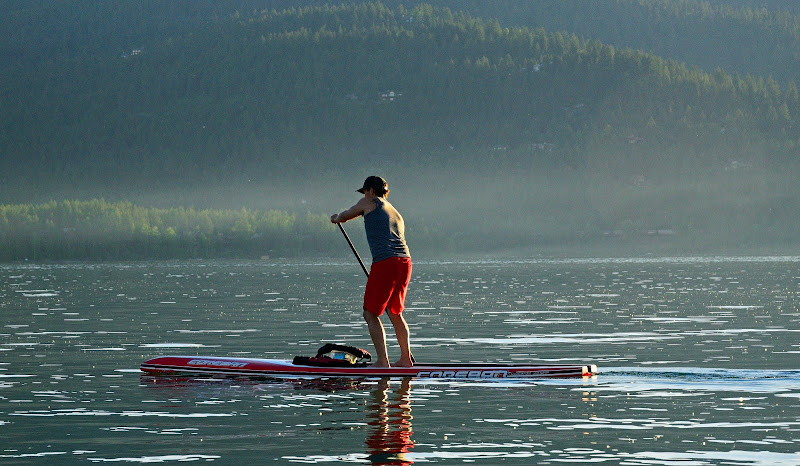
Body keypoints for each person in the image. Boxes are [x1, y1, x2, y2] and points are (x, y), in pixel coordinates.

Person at [331, 176, 413, 367]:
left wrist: (336, 218)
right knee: (395, 312)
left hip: (386, 262)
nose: (364, 195)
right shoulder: (395, 212)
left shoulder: (370, 201)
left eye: (365, 191)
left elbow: (346, 215)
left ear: (371, 191)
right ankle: (405, 359)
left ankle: (383, 362)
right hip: (405, 261)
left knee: (370, 314)